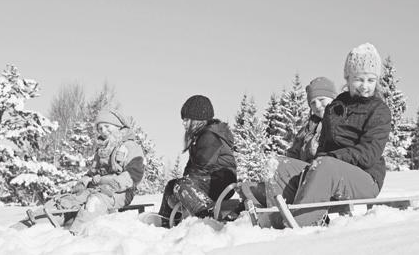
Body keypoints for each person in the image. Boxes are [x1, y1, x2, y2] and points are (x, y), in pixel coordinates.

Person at [265, 42, 391, 227]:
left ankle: (303, 224)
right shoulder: (336, 106)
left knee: (326, 165)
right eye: (358, 79)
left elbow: (369, 153)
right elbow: (324, 147)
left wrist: (330, 159)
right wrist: (314, 166)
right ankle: (270, 223)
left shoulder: (379, 110)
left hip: (365, 178)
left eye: (370, 80)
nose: (364, 86)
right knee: (279, 165)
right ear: (347, 78)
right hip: (328, 168)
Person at [157, 95, 237, 227]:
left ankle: (208, 216)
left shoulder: (209, 136)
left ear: (198, 119)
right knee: (173, 185)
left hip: (219, 181)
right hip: (208, 180)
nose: (183, 123)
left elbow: (202, 166)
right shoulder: (199, 137)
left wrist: (184, 188)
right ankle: (165, 221)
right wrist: (178, 191)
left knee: (181, 185)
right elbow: (191, 170)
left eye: (187, 119)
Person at [66, 109, 145, 234]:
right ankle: (38, 223)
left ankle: (74, 234)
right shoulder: (102, 151)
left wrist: (111, 185)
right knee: (70, 199)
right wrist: (84, 182)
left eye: (107, 126)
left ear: (118, 126)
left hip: (121, 192)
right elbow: (92, 172)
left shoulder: (130, 147)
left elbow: (134, 175)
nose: (103, 131)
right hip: (97, 188)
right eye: (100, 128)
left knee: (95, 201)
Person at [286, 77, 337, 162]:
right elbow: (292, 155)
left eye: (321, 99)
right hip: (307, 170)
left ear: (333, 99)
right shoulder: (307, 129)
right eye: (313, 103)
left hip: (331, 168)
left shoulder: (343, 121)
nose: (317, 106)